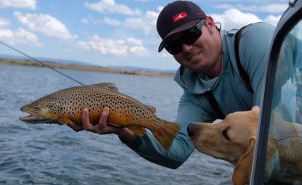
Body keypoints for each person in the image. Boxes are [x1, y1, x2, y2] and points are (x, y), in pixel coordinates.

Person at [67, 1, 276, 169]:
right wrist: (123, 130)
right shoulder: (195, 91)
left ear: (211, 24)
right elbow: (175, 151)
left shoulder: (255, 42)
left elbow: (271, 131)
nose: (186, 47)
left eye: (191, 34)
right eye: (174, 45)